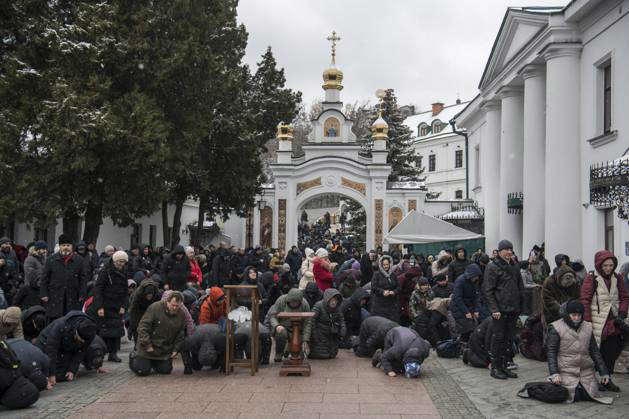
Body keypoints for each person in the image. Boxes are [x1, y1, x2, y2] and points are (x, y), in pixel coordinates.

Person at [546, 300, 613, 404]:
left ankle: (584, 386)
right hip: (566, 370)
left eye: (579, 315)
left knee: (588, 394)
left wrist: (604, 373)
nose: (576, 318)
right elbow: (551, 352)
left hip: (586, 371)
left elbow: (594, 351)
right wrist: (554, 373)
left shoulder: (588, 327)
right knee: (572, 395)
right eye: (573, 315)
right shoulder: (556, 328)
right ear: (567, 314)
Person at [580, 250, 628, 392]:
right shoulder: (591, 279)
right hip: (597, 321)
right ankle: (591, 379)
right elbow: (585, 300)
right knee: (595, 352)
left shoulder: (617, 278)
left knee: (612, 350)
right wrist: (587, 321)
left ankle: (607, 379)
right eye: (605, 265)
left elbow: (625, 297)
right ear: (599, 265)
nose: (608, 268)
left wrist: (622, 313)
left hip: (613, 321)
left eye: (611, 265)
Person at [483, 239, 523, 380]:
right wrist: (494, 309)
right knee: (498, 338)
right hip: (500, 310)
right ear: (499, 252)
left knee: (508, 339)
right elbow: (488, 290)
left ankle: (505, 366)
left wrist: (520, 306)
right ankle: (495, 367)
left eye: (511, 250)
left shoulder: (514, 265)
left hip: (513, 309)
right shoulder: (492, 267)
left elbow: (520, 287)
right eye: (506, 250)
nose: (509, 252)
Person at [87, 250, 129, 362]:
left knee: (116, 332)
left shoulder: (124, 271)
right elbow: (98, 290)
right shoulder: (105, 271)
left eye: (124, 262)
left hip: (117, 305)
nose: (121, 264)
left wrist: (124, 306)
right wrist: (99, 306)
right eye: (120, 261)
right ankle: (101, 352)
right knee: (103, 331)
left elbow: (126, 291)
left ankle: (113, 353)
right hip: (105, 304)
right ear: (115, 260)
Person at [35, 310, 97, 387]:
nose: (82, 342)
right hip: (45, 344)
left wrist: (72, 370)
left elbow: (81, 352)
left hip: (65, 348)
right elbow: (51, 350)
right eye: (80, 339)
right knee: (44, 374)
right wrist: (51, 374)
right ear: (76, 331)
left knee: (63, 376)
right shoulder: (60, 325)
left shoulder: (90, 332)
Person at [130, 291, 185, 376]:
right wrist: (147, 344)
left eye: (177, 306)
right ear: (168, 301)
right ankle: (134, 357)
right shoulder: (155, 308)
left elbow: (180, 334)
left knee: (165, 371)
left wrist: (175, 349)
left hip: (163, 350)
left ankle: (155, 364)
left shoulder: (181, 314)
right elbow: (143, 327)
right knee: (141, 371)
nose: (174, 308)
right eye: (172, 305)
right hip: (147, 348)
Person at [40, 234, 88, 323]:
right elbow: (44, 278)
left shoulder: (79, 260)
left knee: (71, 320)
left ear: (72, 247)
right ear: (60, 246)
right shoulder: (51, 259)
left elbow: (83, 279)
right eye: (63, 245)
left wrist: (82, 294)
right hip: (54, 295)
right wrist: (44, 294)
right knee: (55, 322)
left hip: (73, 296)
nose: (66, 247)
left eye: (68, 245)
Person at [267, 288, 312, 362]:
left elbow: (308, 322)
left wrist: (305, 339)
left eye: (296, 302)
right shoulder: (281, 300)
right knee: (280, 333)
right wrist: (277, 326)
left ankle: (289, 348)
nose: (293, 303)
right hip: (284, 328)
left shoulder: (305, 304)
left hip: (299, 331)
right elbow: (272, 316)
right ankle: (279, 353)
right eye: (292, 301)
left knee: (300, 356)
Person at [309, 289, 346, 359]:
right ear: (327, 299)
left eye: (335, 300)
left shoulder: (337, 308)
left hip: (332, 334)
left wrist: (343, 330)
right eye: (332, 300)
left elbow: (342, 320)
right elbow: (311, 320)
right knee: (322, 355)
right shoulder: (318, 306)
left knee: (332, 354)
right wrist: (315, 336)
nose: (334, 302)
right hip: (320, 333)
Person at [451, 264, 482, 342]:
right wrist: (466, 312)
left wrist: (476, 310)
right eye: (475, 276)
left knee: (473, 327)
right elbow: (457, 298)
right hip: (458, 308)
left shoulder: (475, 281)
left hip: (469, 306)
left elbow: (476, 297)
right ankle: (462, 345)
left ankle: (467, 345)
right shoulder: (460, 281)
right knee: (466, 328)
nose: (477, 278)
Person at [127, 278, 160, 343]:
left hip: (151, 308)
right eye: (148, 295)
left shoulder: (157, 293)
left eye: (151, 295)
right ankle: (137, 345)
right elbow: (133, 310)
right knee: (137, 327)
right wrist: (132, 326)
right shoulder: (137, 294)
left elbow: (159, 307)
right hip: (138, 309)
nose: (149, 297)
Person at [16, 242, 47, 310]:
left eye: (45, 249)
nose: (45, 251)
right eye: (43, 249)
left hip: (40, 289)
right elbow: (30, 274)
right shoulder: (30, 259)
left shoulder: (43, 259)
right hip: (30, 289)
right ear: (37, 249)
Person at [371, 255, 400, 322]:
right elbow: (374, 287)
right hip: (380, 304)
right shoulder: (377, 274)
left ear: (390, 264)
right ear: (381, 265)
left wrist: (394, 292)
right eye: (384, 265)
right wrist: (382, 291)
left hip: (392, 304)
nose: (386, 266)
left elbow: (398, 287)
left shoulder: (393, 275)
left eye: (387, 264)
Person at [0, 237, 20, 306]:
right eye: (5, 243)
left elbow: (17, 268)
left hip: (10, 285)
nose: (8, 245)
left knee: (10, 305)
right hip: (1, 286)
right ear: (1, 245)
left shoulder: (13, 253)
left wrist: (15, 282)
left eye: (9, 243)